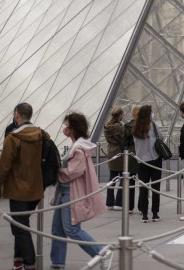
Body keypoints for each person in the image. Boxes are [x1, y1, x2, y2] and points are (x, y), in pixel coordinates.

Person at [0, 103, 46, 270]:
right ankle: (18, 262)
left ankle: (29, 264)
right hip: (36, 189)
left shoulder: (13, 138)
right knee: (20, 224)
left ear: (16, 115)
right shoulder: (41, 134)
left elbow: (4, 167)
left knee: (20, 228)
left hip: (18, 190)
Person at [49, 112, 111, 270]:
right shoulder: (79, 145)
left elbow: (72, 172)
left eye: (67, 126)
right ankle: (57, 263)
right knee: (57, 229)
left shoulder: (79, 148)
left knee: (72, 229)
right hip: (65, 192)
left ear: (74, 128)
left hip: (71, 192)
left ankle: (102, 253)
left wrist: (55, 171)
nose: (65, 129)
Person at [131, 105, 162, 223]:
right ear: (149, 114)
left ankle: (144, 214)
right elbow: (161, 138)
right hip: (155, 159)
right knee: (155, 188)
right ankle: (155, 213)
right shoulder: (153, 126)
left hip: (141, 161)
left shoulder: (135, 127)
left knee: (143, 188)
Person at [103, 107, 126, 210]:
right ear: (120, 115)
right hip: (119, 153)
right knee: (122, 177)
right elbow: (123, 140)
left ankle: (109, 203)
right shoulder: (119, 127)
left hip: (111, 152)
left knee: (112, 178)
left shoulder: (107, 127)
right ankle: (118, 202)